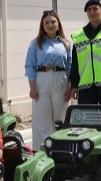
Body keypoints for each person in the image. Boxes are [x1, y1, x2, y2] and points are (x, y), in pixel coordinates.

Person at [25, 10, 72, 150]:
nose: (50, 25)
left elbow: (70, 65)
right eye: (46, 22)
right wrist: (32, 87)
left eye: (53, 22)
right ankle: (41, 153)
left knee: (61, 119)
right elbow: (30, 65)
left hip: (61, 80)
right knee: (41, 120)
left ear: (58, 24)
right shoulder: (35, 44)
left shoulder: (67, 44)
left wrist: (70, 86)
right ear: (42, 25)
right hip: (41, 81)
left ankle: (61, 151)